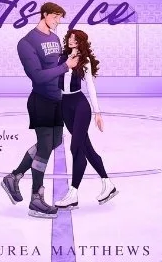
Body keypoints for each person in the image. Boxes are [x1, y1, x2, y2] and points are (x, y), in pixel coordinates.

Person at [1, 2, 76, 218]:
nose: (58, 22)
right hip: (41, 100)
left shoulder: (54, 39)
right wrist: (65, 67)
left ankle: (14, 176)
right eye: (55, 17)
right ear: (44, 15)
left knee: (55, 142)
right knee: (44, 147)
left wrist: (70, 64)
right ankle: (36, 199)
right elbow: (37, 76)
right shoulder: (26, 43)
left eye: (60, 18)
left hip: (58, 99)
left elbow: (58, 70)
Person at [53, 29, 118, 209]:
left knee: (76, 148)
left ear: (80, 41)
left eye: (75, 38)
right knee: (87, 149)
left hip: (80, 106)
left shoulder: (85, 61)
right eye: (70, 38)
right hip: (65, 105)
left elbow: (90, 85)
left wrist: (97, 112)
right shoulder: (62, 58)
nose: (71, 40)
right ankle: (108, 184)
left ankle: (73, 194)